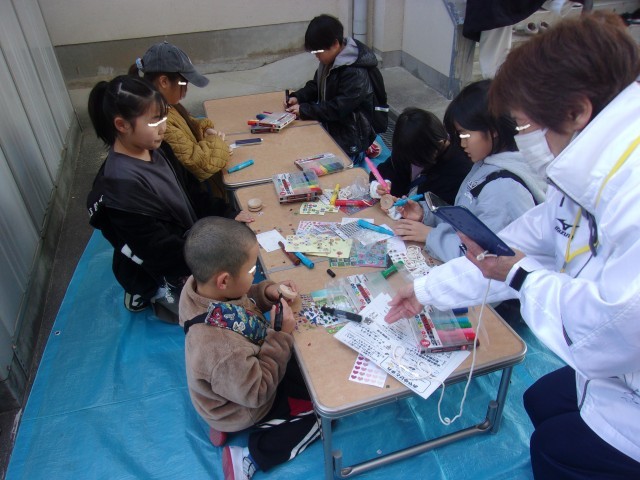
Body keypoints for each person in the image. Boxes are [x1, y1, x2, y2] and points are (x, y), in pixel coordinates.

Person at [385, 13, 640, 479]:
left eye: (524, 126)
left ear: (576, 112)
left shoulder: (629, 189)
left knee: (553, 448)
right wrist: (425, 291)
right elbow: (511, 245)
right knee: (540, 401)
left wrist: (521, 275)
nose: (524, 141)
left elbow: (611, 329)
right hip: (615, 371)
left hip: (620, 364)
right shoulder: (585, 171)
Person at [86, 75, 252, 322]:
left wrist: (228, 214)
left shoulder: (159, 148)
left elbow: (193, 192)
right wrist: (208, 260)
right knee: (206, 313)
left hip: (184, 242)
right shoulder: (119, 189)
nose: (163, 127)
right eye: (154, 120)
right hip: (158, 265)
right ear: (122, 125)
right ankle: (142, 292)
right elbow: (157, 251)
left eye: (163, 117)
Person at [179, 217, 319, 480]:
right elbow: (258, 392)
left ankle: (224, 422)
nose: (255, 275)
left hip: (231, 383)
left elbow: (242, 298)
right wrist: (280, 336)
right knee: (320, 412)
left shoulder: (200, 289)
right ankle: (249, 457)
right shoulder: (222, 349)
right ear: (223, 280)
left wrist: (268, 292)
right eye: (252, 270)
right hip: (246, 401)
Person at [393, 80, 547, 262]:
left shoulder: (504, 189)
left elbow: (487, 259)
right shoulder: (487, 164)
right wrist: (425, 214)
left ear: (492, 129)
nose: (461, 142)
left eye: (465, 134)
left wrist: (430, 235)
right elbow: (468, 222)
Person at [131, 41, 231, 191]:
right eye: (183, 83)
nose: (186, 89)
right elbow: (198, 163)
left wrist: (204, 130)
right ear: (164, 81)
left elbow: (187, 122)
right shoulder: (158, 122)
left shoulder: (167, 105)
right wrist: (218, 143)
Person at [286, 14, 376, 164]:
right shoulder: (329, 60)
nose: (316, 56)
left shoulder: (354, 72)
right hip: (331, 126)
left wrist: (305, 110)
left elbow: (339, 108)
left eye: (318, 52)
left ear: (335, 44)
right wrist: (298, 97)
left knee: (325, 167)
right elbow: (316, 85)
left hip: (350, 138)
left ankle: (360, 156)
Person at [368, 107, 472, 207]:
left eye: (417, 159)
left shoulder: (458, 171)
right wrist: (379, 186)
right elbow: (387, 170)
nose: (412, 162)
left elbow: (438, 209)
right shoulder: (411, 147)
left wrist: (404, 210)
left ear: (437, 145)